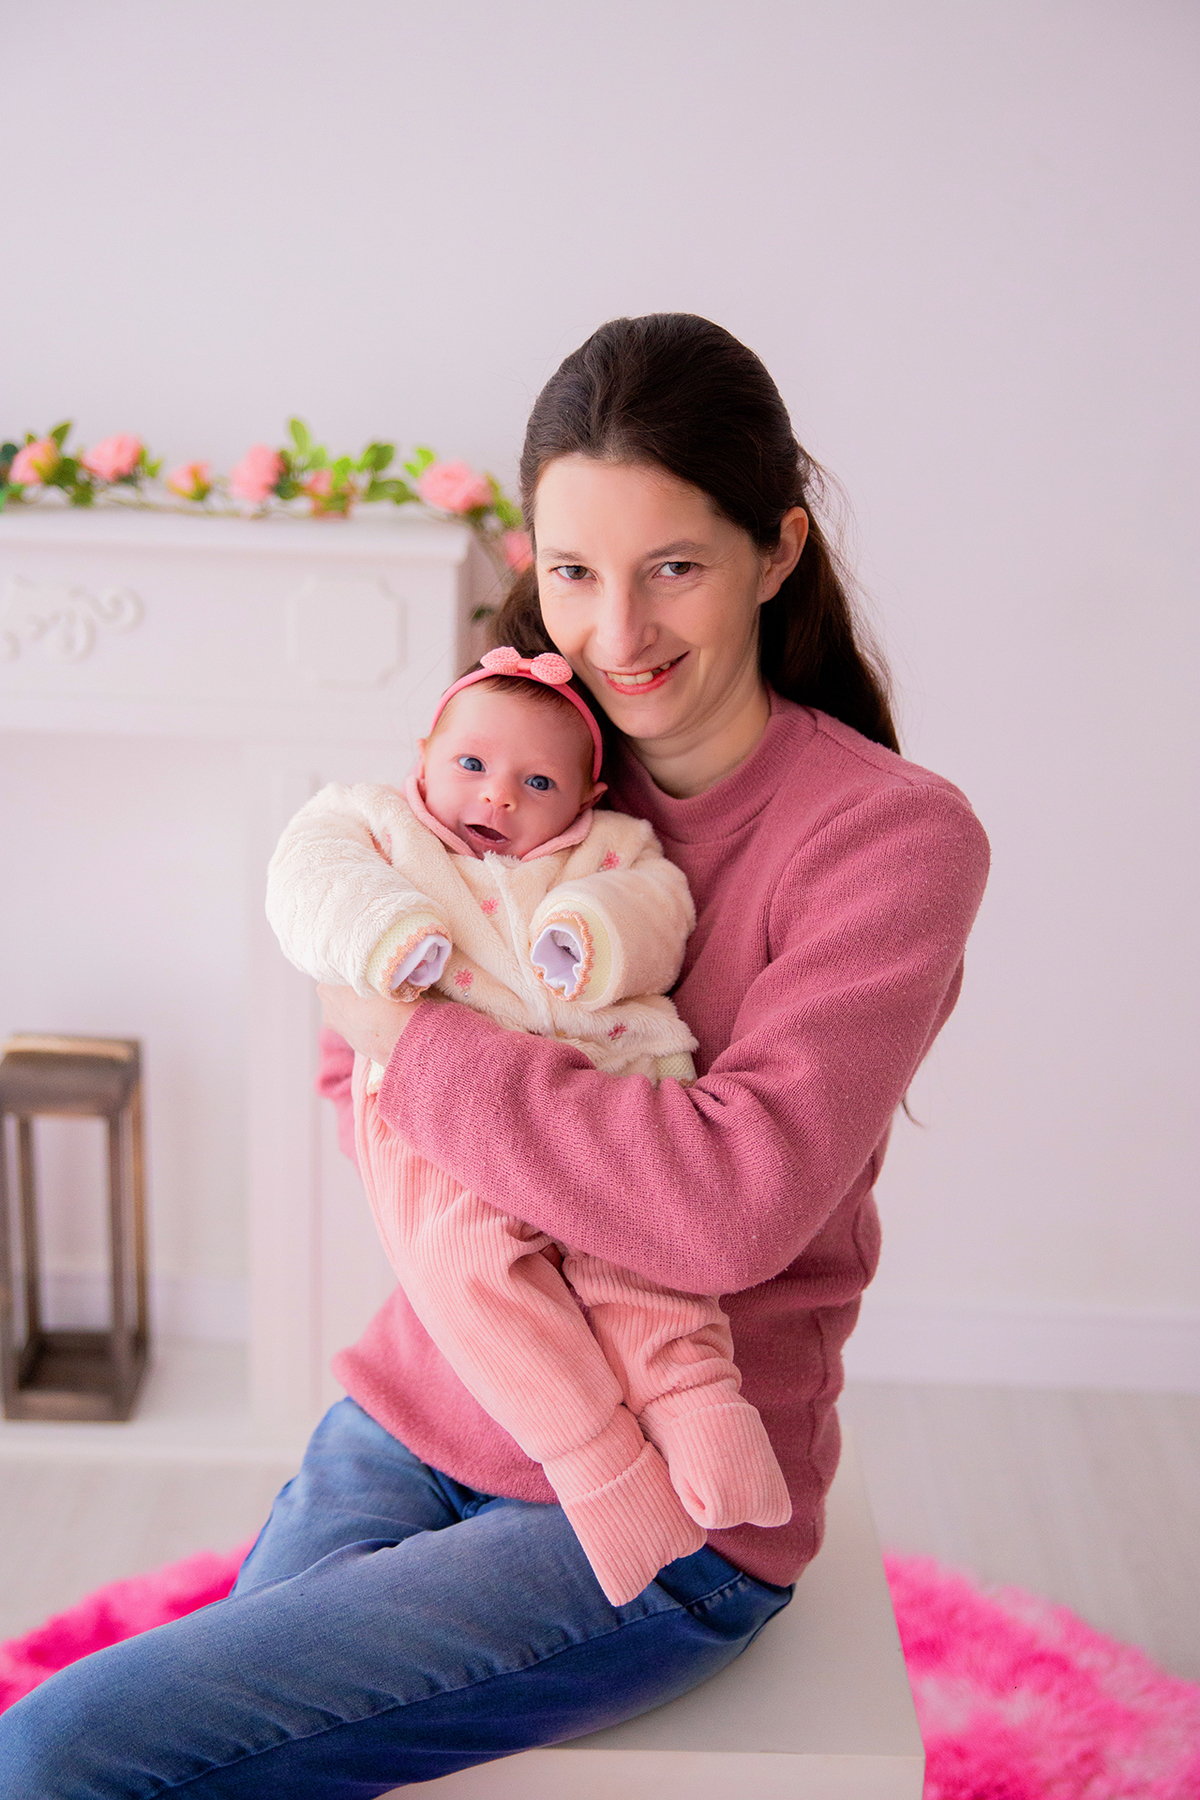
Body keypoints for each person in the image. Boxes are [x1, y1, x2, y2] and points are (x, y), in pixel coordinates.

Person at [0, 313, 990, 1798]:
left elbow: (727, 1206)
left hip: (666, 1505)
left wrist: (420, 1035)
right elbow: (357, 1081)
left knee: (64, 1751)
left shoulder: (892, 840)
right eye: (576, 574)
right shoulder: (521, 757)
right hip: (421, 1402)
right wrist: (480, 1108)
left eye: (677, 568)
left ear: (777, 551)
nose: (621, 634)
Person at [264, 646, 791, 1606]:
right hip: (440, 1121)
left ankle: (704, 1410)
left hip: (608, 1084)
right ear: (423, 752)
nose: (497, 798)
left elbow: (659, 909)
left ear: (587, 793)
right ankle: (603, 1469)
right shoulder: (372, 820)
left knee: (641, 1267)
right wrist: (384, 932)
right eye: (471, 766)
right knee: (478, 1278)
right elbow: (307, 877)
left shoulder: (613, 847)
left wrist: (589, 930)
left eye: (536, 782)